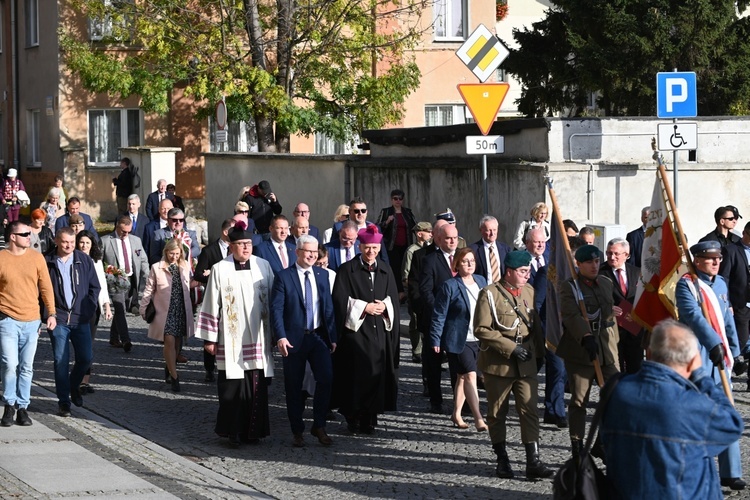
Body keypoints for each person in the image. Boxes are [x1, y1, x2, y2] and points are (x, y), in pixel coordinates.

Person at [601, 320, 744, 499]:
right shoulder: (691, 404)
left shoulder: (617, 391)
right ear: (692, 360)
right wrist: (701, 376)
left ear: (650, 351)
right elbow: (732, 425)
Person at [474, 250, 553, 479]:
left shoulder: (528, 290)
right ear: (509, 272)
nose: (527, 275)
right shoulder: (489, 294)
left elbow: (535, 324)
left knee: (529, 411)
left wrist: (540, 354)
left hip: (526, 360)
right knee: (498, 412)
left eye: (528, 270)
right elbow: (481, 329)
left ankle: (533, 461)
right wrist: (510, 348)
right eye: (522, 271)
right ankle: (502, 459)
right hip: (500, 364)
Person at [195, 220, 275, 445]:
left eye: (249, 243)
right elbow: (211, 303)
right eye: (241, 244)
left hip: (259, 336)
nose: (246, 248)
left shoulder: (263, 266)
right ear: (231, 246)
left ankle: (254, 431)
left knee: (256, 387)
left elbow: (274, 301)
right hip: (230, 340)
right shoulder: (221, 268)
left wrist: (277, 334)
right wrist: (209, 339)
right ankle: (233, 432)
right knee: (232, 387)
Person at [675, 240, 745, 491]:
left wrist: (735, 352)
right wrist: (714, 344)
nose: (716, 262)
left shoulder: (722, 284)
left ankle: (731, 471)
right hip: (699, 357)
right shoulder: (687, 286)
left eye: (718, 258)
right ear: (697, 260)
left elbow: (728, 321)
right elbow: (693, 317)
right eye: (710, 258)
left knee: (727, 411)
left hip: (720, 357)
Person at [332, 224, 399, 434]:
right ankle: (353, 414)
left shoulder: (386, 270)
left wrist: (384, 306)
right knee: (356, 374)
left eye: (375, 248)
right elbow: (339, 300)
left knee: (376, 373)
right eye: (367, 248)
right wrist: (364, 307)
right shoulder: (346, 270)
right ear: (360, 247)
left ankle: (370, 416)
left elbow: (394, 300)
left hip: (379, 330)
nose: (371, 252)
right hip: (356, 332)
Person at [271, 235, 338, 447]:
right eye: (307, 251)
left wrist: (332, 336)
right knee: (294, 385)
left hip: (318, 337)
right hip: (293, 339)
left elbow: (328, 308)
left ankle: (318, 424)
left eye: (315, 251)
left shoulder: (322, 275)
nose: (311, 255)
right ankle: (297, 430)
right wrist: (280, 336)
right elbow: (277, 309)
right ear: (297, 252)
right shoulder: (284, 277)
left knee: (326, 379)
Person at [556, 244, 620, 459]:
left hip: (606, 350)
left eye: (596, 261)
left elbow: (610, 316)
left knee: (615, 396)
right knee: (579, 401)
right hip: (581, 350)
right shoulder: (569, 287)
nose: (594, 266)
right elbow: (571, 316)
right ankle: (577, 446)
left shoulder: (605, 282)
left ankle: (601, 441)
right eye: (589, 262)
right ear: (579, 264)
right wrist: (585, 336)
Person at [0, 221, 56, 427]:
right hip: (7, 320)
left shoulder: (36, 257)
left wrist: (51, 313)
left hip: (32, 321)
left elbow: (46, 288)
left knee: (26, 367)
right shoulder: (1, 258)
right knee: (9, 364)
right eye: (25, 234)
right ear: (12, 237)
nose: (29, 237)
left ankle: (23, 407)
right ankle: (9, 405)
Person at [429, 247, 487, 431]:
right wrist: (435, 339)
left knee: (462, 378)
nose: (469, 264)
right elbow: (439, 314)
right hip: (458, 339)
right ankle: (478, 417)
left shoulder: (481, 281)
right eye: (465, 261)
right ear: (457, 264)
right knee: (470, 375)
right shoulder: (450, 286)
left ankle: (456, 413)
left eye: (472, 261)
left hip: (477, 338)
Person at [44, 227, 100, 417]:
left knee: (85, 358)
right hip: (57, 318)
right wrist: (47, 314)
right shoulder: (47, 261)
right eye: (65, 242)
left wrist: (88, 310)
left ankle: (74, 386)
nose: (69, 246)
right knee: (61, 360)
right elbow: (41, 290)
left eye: (72, 242)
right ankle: (64, 402)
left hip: (80, 319)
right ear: (57, 241)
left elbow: (95, 287)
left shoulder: (83, 260)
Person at [141, 238, 195, 392]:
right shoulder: (156, 267)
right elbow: (149, 289)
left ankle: (169, 366)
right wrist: (143, 308)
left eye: (177, 254)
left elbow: (187, 284)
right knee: (169, 342)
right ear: (166, 252)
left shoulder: (184, 266)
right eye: (172, 253)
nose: (174, 257)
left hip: (181, 309)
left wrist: (197, 282)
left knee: (177, 343)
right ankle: (175, 377)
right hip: (165, 311)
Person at [418, 223, 459, 413]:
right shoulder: (430, 260)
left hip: (458, 320)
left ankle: (459, 401)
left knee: (457, 362)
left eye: (455, 238)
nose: (452, 242)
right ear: (439, 239)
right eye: (448, 238)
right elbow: (426, 290)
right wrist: (439, 311)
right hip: (436, 319)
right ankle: (436, 400)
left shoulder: (462, 258)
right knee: (434, 362)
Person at [193, 218, 234, 382]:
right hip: (214, 296)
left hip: (231, 297)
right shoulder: (210, 250)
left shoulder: (237, 250)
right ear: (225, 232)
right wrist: (210, 273)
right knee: (211, 333)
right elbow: (197, 274)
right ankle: (209, 368)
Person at [101, 215, 149, 352]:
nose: (125, 234)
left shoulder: (136, 241)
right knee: (120, 308)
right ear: (117, 227)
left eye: (128, 231)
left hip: (131, 279)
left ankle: (113, 337)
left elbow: (143, 260)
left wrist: (149, 276)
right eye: (123, 231)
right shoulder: (106, 241)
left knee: (124, 307)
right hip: (114, 281)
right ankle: (126, 339)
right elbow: (99, 262)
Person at [76, 230, 112, 395]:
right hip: (75, 308)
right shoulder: (73, 259)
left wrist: (106, 305)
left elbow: (102, 284)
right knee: (78, 346)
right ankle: (75, 377)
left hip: (92, 308)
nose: (84, 246)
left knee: (89, 345)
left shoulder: (96, 261)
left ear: (92, 245)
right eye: (82, 242)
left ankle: (84, 381)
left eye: (87, 243)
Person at [599, 237, 643, 374]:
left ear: (626, 255)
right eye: (609, 253)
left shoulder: (637, 272)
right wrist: (608, 308)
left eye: (616, 254)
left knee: (635, 368)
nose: (612, 257)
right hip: (612, 329)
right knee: (615, 370)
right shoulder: (600, 273)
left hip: (634, 329)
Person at [719, 221, 750, 375]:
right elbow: (724, 278)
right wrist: (728, 302)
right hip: (740, 304)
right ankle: (729, 369)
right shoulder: (731, 250)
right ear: (744, 233)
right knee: (741, 340)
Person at [376, 189, 416, 295]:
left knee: (407, 268)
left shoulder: (407, 212)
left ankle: (406, 292)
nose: (398, 201)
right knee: (395, 268)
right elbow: (377, 227)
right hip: (391, 245)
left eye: (400, 199)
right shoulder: (386, 211)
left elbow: (414, 226)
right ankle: (399, 292)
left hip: (406, 245)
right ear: (391, 199)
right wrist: (387, 221)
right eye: (395, 198)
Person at [402, 221, 432, 363]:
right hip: (415, 291)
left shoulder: (431, 249)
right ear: (420, 234)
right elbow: (406, 274)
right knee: (415, 321)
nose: (431, 234)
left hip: (428, 292)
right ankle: (417, 350)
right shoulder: (412, 250)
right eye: (428, 231)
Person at [470, 215, 511, 284]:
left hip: (502, 290)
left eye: (494, 230)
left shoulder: (505, 249)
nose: (492, 233)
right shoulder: (473, 250)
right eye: (489, 230)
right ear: (481, 230)